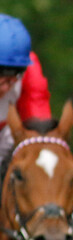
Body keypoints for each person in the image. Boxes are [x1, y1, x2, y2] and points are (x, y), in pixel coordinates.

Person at [0, 14, 52, 170]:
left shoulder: (30, 71)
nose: (5, 88)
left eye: (14, 76)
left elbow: (38, 128)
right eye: (1, 74)